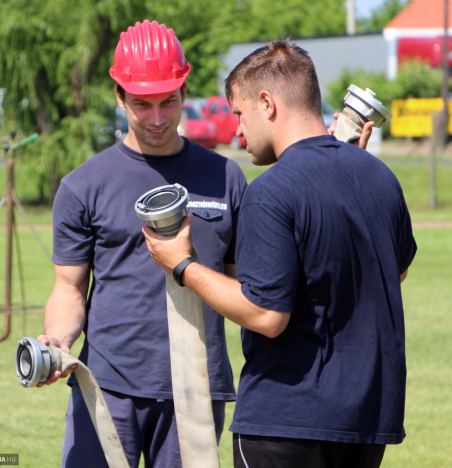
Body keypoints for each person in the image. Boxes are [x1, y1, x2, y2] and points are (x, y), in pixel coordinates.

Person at [143, 39, 417, 468]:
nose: (238, 132)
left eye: (239, 113)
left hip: (285, 422)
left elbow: (267, 315)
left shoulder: (270, 191)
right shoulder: (380, 176)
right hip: (367, 421)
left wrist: (182, 264)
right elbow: (394, 272)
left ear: (267, 103)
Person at [35, 20, 248, 468]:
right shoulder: (82, 186)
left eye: (168, 101)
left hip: (196, 387)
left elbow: (245, 289)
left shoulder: (225, 177)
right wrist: (58, 338)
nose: (156, 118)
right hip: (106, 386)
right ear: (119, 96)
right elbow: (69, 289)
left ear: (184, 91)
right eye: (141, 104)